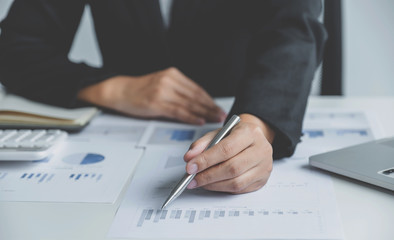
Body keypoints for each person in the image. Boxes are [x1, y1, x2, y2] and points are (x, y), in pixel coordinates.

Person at [0, 0, 326, 194]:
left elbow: (294, 28)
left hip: (234, 110)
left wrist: (257, 121)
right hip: (120, 126)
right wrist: (112, 87)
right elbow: (14, 47)